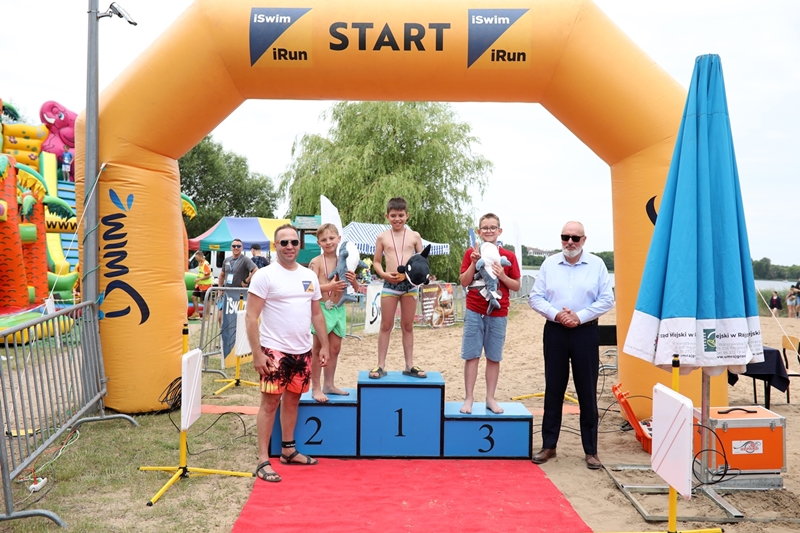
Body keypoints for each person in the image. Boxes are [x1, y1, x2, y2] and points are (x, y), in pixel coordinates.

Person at [245, 224, 330, 483]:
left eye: (294, 242)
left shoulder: (309, 276)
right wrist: (257, 354)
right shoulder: (265, 276)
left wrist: (324, 346)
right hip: (274, 351)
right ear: (275, 246)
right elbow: (251, 317)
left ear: (299, 245)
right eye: (284, 242)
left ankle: (288, 450)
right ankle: (262, 460)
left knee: (293, 401)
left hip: (303, 351)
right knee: (270, 404)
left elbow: (317, 314)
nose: (289, 246)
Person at [528, 221, 614, 470]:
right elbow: (535, 297)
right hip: (555, 331)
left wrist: (579, 316)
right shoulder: (549, 264)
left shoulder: (597, 264)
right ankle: (549, 445)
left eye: (575, 238)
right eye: (565, 237)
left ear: (584, 240)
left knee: (587, 390)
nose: (570, 242)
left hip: (585, 332)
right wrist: (557, 314)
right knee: (553, 388)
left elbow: (607, 299)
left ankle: (591, 451)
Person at [458, 213, 521, 414]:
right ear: (479, 231)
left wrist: (502, 275)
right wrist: (472, 263)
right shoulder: (471, 253)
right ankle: (469, 398)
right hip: (474, 310)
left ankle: (490, 398)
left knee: (494, 357)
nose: (489, 231)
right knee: (472, 355)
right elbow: (464, 281)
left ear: (499, 231)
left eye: (493, 227)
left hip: (498, 312)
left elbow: (517, 285)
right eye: (485, 228)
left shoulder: (508, 256)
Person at [370, 197, 426, 379]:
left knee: (408, 326)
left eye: (401, 215)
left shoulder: (415, 236)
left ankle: (409, 365)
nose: (397, 219)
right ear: (387, 216)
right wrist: (384, 274)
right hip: (390, 284)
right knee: (386, 325)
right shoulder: (382, 237)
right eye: (393, 215)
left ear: (407, 215)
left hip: (410, 285)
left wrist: (416, 276)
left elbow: (422, 261)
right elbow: (376, 262)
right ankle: (380, 365)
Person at [308, 223, 359, 402]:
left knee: (335, 349)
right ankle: (315, 387)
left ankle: (329, 384)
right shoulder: (316, 262)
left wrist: (354, 281)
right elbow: (308, 287)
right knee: (318, 349)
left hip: (338, 308)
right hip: (322, 308)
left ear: (339, 239)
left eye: (331, 238)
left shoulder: (345, 261)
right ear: (318, 242)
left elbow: (355, 288)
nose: (328, 242)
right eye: (324, 239)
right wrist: (328, 286)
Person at [218, 239, 259, 360]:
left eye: (238, 246)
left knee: (239, 320)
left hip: (239, 295)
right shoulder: (227, 260)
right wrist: (220, 289)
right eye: (234, 246)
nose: (236, 248)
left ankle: (241, 345)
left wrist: (246, 281)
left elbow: (255, 270)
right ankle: (223, 342)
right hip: (227, 294)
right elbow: (222, 275)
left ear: (242, 248)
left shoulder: (245, 259)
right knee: (220, 317)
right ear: (231, 247)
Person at [189, 251, 213, 319]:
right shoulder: (200, 263)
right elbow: (200, 274)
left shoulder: (206, 264)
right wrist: (197, 282)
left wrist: (199, 279)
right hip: (199, 285)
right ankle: (196, 313)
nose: (196, 259)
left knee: (205, 300)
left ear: (200, 257)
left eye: (196, 258)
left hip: (206, 285)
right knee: (193, 297)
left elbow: (208, 276)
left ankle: (207, 315)